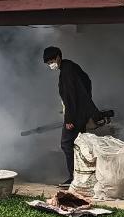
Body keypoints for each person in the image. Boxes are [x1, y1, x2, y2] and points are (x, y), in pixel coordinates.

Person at [43, 45, 100, 188]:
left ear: (58, 57)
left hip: (75, 115)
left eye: (51, 61)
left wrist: (69, 118)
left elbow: (70, 95)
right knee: (78, 144)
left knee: (66, 144)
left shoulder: (67, 71)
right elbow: (84, 86)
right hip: (80, 112)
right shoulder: (70, 67)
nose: (51, 64)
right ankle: (81, 177)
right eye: (48, 63)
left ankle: (73, 177)